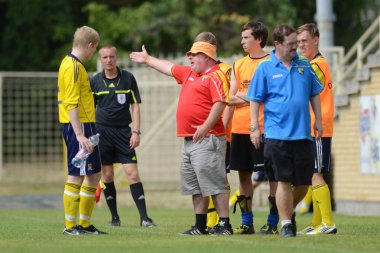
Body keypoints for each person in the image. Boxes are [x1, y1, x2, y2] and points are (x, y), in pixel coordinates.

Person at [130, 35, 233, 235]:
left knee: (214, 183)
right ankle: (200, 225)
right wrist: (148, 60)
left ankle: (224, 224)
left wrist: (205, 126)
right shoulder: (189, 74)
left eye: (194, 55)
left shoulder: (215, 75)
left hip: (208, 137)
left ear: (207, 56)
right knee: (195, 186)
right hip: (189, 140)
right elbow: (168, 67)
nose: (190, 59)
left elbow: (220, 103)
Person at [246, 24, 323, 237]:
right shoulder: (265, 68)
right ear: (278, 44)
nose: (295, 48)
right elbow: (254, 99)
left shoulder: (305, 65)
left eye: (297, 43)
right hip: (276, 135)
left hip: (303, 135)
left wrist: (319, 119)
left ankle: (285, 210)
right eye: (291, 44)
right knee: (283, 180)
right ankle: (287, 223)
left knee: (304, 183)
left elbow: (315, 92)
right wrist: (254, 127)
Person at [90, 45, 156, 228]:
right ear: (100, 59)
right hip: (102, 133)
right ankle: (115, 218)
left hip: (124, 133)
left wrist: (136, 131)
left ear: (116, 58)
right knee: (108, 175)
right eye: (104, 57)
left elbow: (135, 106)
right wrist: (90, 135)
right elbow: (89, 109)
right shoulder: (95, 81)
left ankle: (144, 218)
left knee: (132, 174)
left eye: (111, 57)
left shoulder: (127, 78)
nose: (108, 60)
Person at [228, 20, 279, 235]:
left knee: (273, 177)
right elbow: (230, 98)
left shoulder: (273, 62)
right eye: (242, 38)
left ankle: (273, 222)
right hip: (239, 129)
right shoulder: (238, 65)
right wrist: (255, 98)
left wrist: (248, 97)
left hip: (266, 129)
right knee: (243, 177)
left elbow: (273, 96)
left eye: (246, 37)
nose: (242, 41)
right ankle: (246, 222)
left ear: (259, 39)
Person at [57, 26, 106, 235]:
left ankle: (85, 224)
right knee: (76, 174)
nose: (93, 53)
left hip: (87, 125)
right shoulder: (73, 67)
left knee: (94, 174)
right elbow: (71, 103)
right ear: (90, 45)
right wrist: (79, 134)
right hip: (79, 126)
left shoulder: (72, 64)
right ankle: (70, 226)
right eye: (94, 49)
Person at [296, 23, 337, 235]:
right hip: (310, 127)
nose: (300, 45)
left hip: (318, 128)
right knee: (313, 174)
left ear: (316, 39)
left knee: (316, 174)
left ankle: (328, 223)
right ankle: (317, 222)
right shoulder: (309, 63)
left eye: (304, 40)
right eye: (298, 41)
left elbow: (304, 90)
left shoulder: (318, 64)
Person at [191, 32, 233, 232]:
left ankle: (221, 221)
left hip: (219, 133)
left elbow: (228, 102)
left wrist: (220, 128)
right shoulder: (198, 72)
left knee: (218, 177)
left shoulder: (223, 70)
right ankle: (210, 221)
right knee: (206, 177)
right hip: (205, 135)